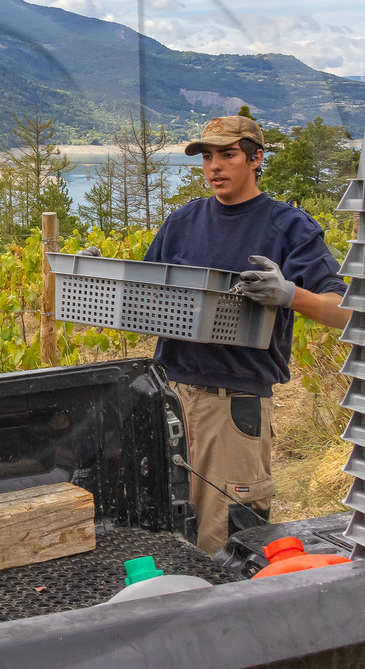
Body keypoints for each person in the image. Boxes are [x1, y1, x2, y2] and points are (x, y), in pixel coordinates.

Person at [144, 115, 352, 554]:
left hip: (234, 405)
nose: (214, 166)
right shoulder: (182, 222)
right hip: (170, 398)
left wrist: (290, 294)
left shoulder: (289, 227)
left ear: (256, 159)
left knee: (225, 542)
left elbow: (346, 312)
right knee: (164, 530)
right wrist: (100, 274)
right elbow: (145, 296)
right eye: (207, 156)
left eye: (228, 155)